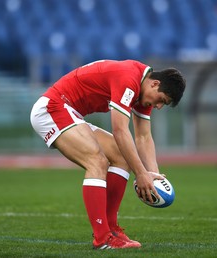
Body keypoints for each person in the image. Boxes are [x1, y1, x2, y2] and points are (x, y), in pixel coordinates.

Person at [30, 59, 186, 249]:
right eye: (161, 100)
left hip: (69, 111)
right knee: (97, 161)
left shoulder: (143, 89)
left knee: (121, 157)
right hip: (52, 108)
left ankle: (111, 230)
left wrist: (152, 176)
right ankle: (102, 238)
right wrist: (141, 174)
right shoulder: (130, 78)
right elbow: (120, 130)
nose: (159, 106)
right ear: (155, 83)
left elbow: (143, 137)